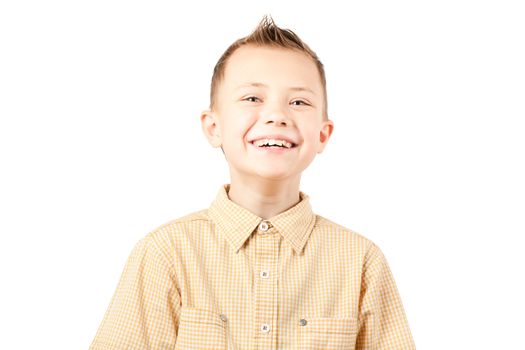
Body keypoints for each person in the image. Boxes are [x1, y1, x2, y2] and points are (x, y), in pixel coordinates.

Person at [89, 15, 415, 350]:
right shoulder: (166, 253)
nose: (277, 115)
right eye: (252, 98)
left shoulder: (360, 261)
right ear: (213, 127)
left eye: (299, 102)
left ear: (322, 134)